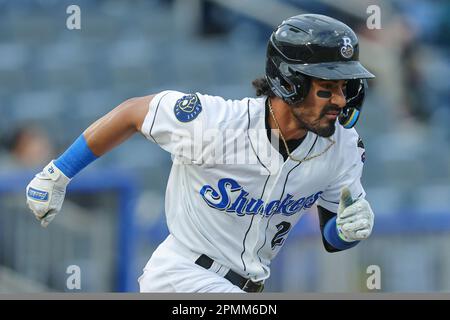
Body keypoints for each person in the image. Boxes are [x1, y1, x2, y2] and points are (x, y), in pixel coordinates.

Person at [26, 14, 375, 293]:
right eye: (326, 89)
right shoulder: (215, 123)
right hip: (182, 277)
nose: (341, 100)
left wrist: (346, 232)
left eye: (345, 87)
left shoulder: (341, 145)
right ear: (289, 81)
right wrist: (58, 172)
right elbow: (134, 113)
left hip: (247, 287)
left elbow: (333, 236)